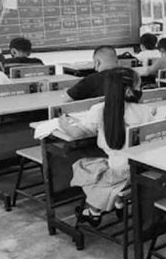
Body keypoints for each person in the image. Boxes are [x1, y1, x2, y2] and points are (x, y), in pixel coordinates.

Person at [58, 68, 154, 227]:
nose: (141, 90)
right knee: (109, 171)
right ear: (130, 91)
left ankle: (94, 211)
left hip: (118, 171)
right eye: (140, 86)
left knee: (82, 166)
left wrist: (63, 122)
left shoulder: (98, 110)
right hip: (140, 170)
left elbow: (76, 133)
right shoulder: (144, 111)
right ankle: (117, 201)